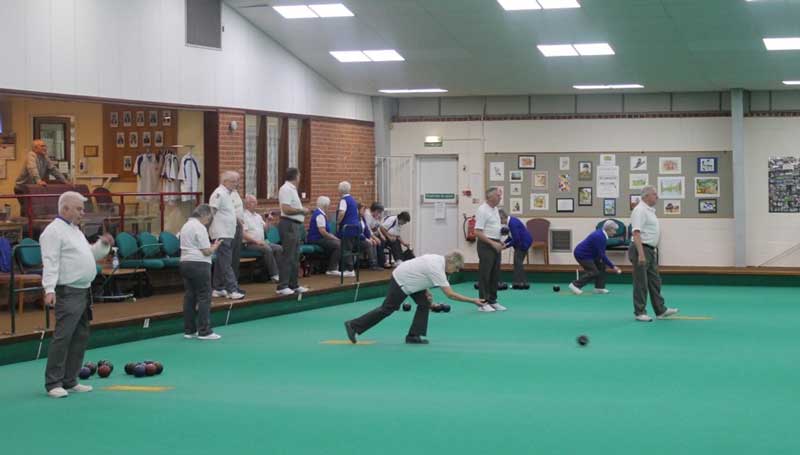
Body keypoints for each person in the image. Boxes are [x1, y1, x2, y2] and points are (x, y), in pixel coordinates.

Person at [41, 191, 114, 398]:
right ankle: (53, 383)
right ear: (65, 209)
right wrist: (49, 289)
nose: (83, 213)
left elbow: (90, 254)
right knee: (63, 336)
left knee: (80, 335)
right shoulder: (53, 232)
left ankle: (70, 380)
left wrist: (103, 246)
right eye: (79, 209)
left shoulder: (75, 230)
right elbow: (50, 261)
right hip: (67, 291)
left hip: (84, 290)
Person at [344, 252, 486, 344]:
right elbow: (450, 294)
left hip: (410, 278)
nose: (455, 272)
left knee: (424, 303)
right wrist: (473, 300)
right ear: (450, 263)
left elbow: (420, 272)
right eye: (455, 269)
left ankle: (413, 336)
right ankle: (353, 325)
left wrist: (426, 290)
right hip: (401, 280)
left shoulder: (438, 260)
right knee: (387, 309)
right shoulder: (437, 268)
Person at [629, 186, 679, 322]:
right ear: (646, 196)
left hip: (650, 250)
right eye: (654, 194)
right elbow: (636, 232)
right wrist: (641, 254)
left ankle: (660, 310)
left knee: (655, 281)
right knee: (641, 283)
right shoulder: (639, 210)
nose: (657, 197)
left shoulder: (650, 211)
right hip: (641, 249)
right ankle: (639, 312)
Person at [179, 204, 222, 340]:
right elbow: (206, 251)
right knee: (204, 296)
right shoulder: (199, 227)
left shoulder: (185, 225)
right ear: (204, 215)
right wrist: (215, 246)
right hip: (199, 263)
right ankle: (204, 331)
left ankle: (189, 330)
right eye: (209, 218)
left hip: (184, 262)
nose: (208, 221)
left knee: (190, 296)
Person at [209, 171, 244, 300]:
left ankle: (218, 288)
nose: (236, 184)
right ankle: (231, 289)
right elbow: (212, 211)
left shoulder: (229, 194)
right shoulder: (219, 193)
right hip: (221, 232)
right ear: (225, 182)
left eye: (237, 181)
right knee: (226, 261)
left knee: (221, 261)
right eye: (234, 181)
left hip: (228, 232)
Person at [277, 167, 310, 296]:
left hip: (295, 225)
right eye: (299, 175)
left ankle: (293, 284)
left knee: (295, 256)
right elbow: (286, 209)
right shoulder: (285, 189)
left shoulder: (293, 190)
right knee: (288, 255)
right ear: (296, 176)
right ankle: (282, 286)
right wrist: (302, 210)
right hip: (288, 224)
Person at [15, 139, 69, 215]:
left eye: (45, 146)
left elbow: (53, 169)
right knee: (26, 208)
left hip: (32, 187)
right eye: (42, 146)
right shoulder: (31, 155)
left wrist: (65, 181)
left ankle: (33, 223)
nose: (45, 148)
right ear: (35, 148)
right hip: (21, 188)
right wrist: (38, 181)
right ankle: (26, 225)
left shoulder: (45, 156)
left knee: (33, 208)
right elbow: (32, 168)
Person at [569, 220, 622, 295]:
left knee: (602, 265)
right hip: (582, 254)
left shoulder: (602, 234)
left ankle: (599, 288)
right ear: (609, 229)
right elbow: (602, 255)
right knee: (594, 272)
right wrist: (613, 267)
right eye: (614, 230)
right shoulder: (599, 236)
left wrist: (610, 265)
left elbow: (600, 254)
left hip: (591, 255)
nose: (615, 232)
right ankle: (575, 285)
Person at [474, 188, 506, 312]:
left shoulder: (496, 209)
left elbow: (494, 227)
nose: (500, 198)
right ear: (490, 197)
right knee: (485, 274)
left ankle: (492, 300)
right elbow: (477, 232)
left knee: (495, 274)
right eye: (498, 196)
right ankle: (483, 302)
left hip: (495, 243)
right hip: (486, 245)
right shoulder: (482, 210)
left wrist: (499, 240)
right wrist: (493, 243)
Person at [242, 194, 283, 283]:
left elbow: (266, 230)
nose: (256, 204)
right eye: (253, 202)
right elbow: (244, 234)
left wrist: (268, 221)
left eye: (256, 202)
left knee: (279, 248)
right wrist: (257, 241)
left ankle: (281, 274)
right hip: (249, 244)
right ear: (247, 204)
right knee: (267, 248)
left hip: (261, 242)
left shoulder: (258, 216)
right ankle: (274, 275)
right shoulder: (243, 216)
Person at [307, 196, 346, 276]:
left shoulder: (321, 214)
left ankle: (329, 266)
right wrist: (335, 238)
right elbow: (323, 232)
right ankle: (332, 269)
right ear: (325, 205)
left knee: (337, 243)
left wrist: (334, 238)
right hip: (316, 239)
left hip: (320, 238)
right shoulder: (319, 215)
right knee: (338, 245)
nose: (329, 206)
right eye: (329, 205)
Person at [499, 209, 533, 289]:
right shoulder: (510, 221)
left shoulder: (512, 223)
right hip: (522, 242)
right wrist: (505, 242)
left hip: (523, 243)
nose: (499, 222)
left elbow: (516, 239)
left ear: (502, 218)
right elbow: (511, 236)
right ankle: (520, 283)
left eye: (499, 220)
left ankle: (520, 283)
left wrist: (505, 246)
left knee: (518, 263)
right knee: (518, 263)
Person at [336, 181, 360, 275]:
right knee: (349, 248)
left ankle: (349, 269)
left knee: (346, 248)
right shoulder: (353, 200)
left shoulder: (343, 200)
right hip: (355, 227)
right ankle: (349, 268)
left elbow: (342, 213)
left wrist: (338, 222)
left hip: (347, 228)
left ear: (340, 190)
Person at [359, 203, 383, 271]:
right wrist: (368, 239)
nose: (365, 212)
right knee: (370, 243)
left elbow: (367, 230)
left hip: (364, 237)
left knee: (374, 242)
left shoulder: (362, 218)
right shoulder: (357, 219)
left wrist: (370, 238)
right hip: (358, 238)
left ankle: (375, 263)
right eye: (363, 210)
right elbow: (359, 232)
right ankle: (373, 264)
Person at [364, 202, 388, 267]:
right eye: (379, 212)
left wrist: (381, 235)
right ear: (375, 210)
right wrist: (375, 238)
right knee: (378, 242)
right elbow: (368, 230)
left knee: (382, 240)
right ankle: (379, 262)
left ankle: (381, 261)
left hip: (373, 233)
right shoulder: (368, 215)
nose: (379, 214)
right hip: (367, 234)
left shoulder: (375, 215)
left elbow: (377, 226)